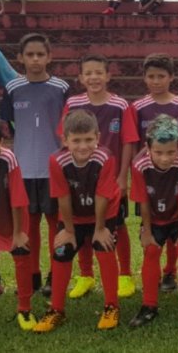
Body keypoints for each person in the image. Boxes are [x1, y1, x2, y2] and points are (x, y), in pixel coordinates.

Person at [33, 110, 121, 333]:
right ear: (65, 140)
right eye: (77, 140)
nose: (83, 146)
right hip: (73, 216)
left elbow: (102, 195)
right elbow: (62, 195)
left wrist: (100, 229)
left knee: (104, 247)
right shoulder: (56, 160)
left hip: (103, 214)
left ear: (98, 137)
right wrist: (69, 230)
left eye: (89, 139)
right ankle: (56, 310)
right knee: (61, 252)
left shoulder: (105, 157)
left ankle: (111, 306)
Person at [60, 54, 139, 299]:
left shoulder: (120, 105)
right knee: (83, 223)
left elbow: (128, 142)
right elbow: (64, 140)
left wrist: (122, 176)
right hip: (80, 179)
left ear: (108, 75)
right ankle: (85, 275)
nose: (94, 77)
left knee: (117, 225)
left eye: (99, 72)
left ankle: (124, 274)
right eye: (89, 73)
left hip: (110, 179)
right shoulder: (73, 104)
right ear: (81, 78)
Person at [0, 34, 69, 298]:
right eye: (30, 55)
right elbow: (5, 127)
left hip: (53, 168)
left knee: (54, 224)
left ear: (49, 57)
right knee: (28, 226)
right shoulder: (13, 88)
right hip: (23, 170)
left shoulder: (61, 88)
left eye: (41, 54)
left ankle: (54, 273)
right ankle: (32, 275)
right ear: (20, 58)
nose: (36, 59)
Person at [129, 115, 178, 327]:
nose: (164, 158)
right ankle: (149, 305)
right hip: (154, 214)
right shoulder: (138, 164)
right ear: (148, 147)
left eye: (171, 152)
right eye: (158, 152)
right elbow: (142, 199)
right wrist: (147, 231)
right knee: (151, 250)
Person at [131, 53, 178, 293]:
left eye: (161, 76)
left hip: (175, 170)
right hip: (150, 174)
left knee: (176, 224)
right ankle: (155, 273)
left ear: (171, 77)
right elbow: (136, 141)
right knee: (154, 219)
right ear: (145, 78)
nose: (156, 81)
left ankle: (170, 271)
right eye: (151, 77)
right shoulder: (137, 107)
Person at [0, 118, 35, 330]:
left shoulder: (8, 158)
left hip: (11, 217)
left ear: (1, 140)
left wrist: (19, 231)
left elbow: (17, 197)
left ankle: (25, 308)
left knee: (21, 254)